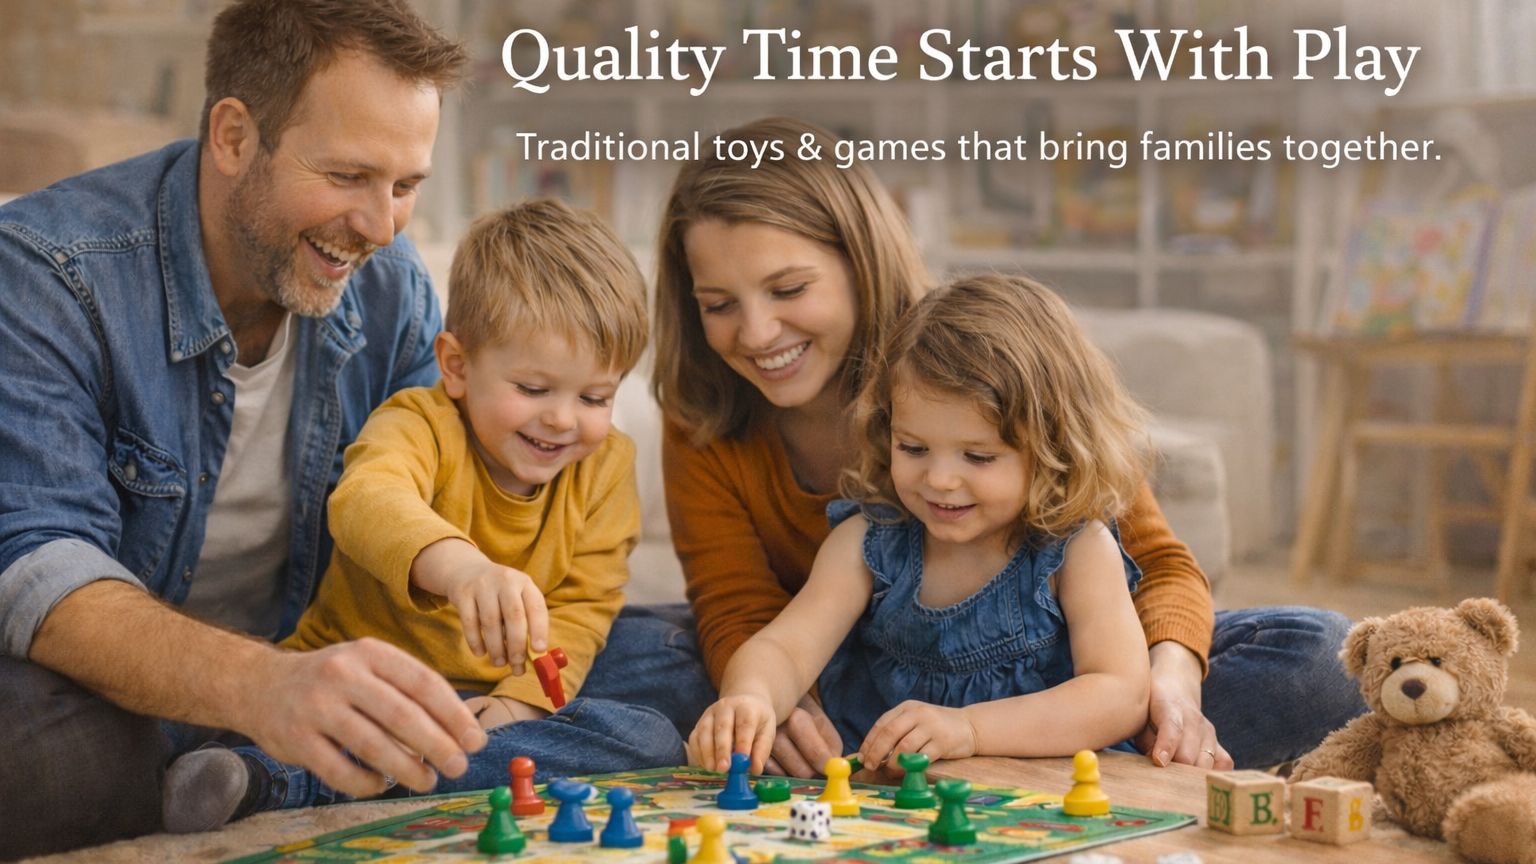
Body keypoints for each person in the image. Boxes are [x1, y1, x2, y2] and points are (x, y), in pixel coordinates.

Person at [651, 115, 1366, 778]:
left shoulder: (995, 359)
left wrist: (1170, 686)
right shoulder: (862, 527)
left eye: (789, 288)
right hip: (865, 704)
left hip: (1064, 685)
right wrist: (759, 702)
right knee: (645, 656)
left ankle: (1046, 748)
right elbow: (751, 620)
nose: (755, 333)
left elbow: (1155, 578)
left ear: (858, 260)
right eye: (719, 304)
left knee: (1320, 656)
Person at [0, 1, 487, 855]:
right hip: (109, 691)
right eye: (346, 177)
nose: (381, 227)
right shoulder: (46, 273)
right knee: (48, 747)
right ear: (232, 137)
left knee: (656, 651)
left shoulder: (391, 287)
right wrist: (264, 686)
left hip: (310, 662)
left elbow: (426, 501)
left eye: (406, 186)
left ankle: (247, 769)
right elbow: (37, 572)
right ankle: (248, 757)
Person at [160, 200, 685, 833]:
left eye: (595, 397)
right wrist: (463, 569)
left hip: (494, 702)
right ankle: (271, 778)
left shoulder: (605, 464)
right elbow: (364, 502)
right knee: (360, 724)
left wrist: (517, 706)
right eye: (533, 389)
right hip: (369, 680)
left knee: (652, 734)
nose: (564, 419)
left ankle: (411, 766)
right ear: (457, 366)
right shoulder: (420, 422)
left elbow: (585, 606)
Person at [691, 274, 1153, 773]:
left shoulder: (1077, 550)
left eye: (977, 456)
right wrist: (751, 697)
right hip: (884, 805)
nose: (939, 479)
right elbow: (784, 648)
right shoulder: (868, 542)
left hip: (1045, 797)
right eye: (912, 448)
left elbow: (1119, 694)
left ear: (1053, 449)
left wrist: (970, 729)